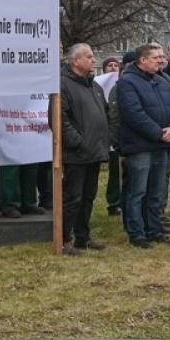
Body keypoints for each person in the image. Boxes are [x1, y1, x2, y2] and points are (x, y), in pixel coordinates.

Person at [117, 42, 170, 248]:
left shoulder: (163, 81)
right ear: (143, 60)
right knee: (138, 191)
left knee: (156, 191)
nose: (161, 60)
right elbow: (133, 114)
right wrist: (158, 133)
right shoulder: (127, 82)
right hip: (140, 146)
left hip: (162, 144)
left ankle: (154, 229)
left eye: (162, 57)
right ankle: (137, 233)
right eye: (157, 57)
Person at [58, 43, 109, 254]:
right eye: (89, 56)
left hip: (95, 151)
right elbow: (60, 119)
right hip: (77, 153)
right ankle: (63, 238)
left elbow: (105, 114)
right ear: (76, 60)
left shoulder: (94, 86)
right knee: (73, 198)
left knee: (89, 196)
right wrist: (78, 141)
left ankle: (83, 236)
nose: (93, 60)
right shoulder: (63, 85)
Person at [95, 56, 123, 216]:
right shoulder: (98, 84)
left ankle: (120, 202)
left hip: (119, 133)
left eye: (116, 65)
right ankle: (113, 202)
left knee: (120, 170)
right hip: (105, 131)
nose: (113, 68)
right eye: (109, 65)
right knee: (113, 171)